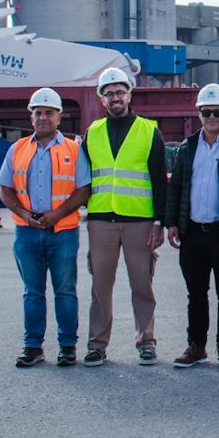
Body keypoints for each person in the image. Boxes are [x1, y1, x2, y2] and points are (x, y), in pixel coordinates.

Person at [0, 88, 92, 368]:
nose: (43, 117)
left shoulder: (74, 149)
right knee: (33, 292)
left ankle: (67, 346)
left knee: (65, 291)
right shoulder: (17, 149)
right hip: (27, 232)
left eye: (49, 112)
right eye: (37, 112)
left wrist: (55, 216)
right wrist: (25, 215)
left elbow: (83, 190)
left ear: (59, 117)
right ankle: (32, 346)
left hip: (62, 232)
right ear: (31, 117)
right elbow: (4, 189)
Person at [165, 84, 219, 370]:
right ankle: (196, 346)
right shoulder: (187, 146)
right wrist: (172, 223)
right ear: (199, 113)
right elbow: (176, 187)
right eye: (207, 112)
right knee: (196, 294)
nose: (212, 117)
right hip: (192, 231)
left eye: (217, 112)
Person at [82, 67, 167, 367]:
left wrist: (159, 221)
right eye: (109, 93)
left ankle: (146, 341)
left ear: (130, 94)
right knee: (100, 287)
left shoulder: (149, 131)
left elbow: (159, 179)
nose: (115, 97)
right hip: (101, 220)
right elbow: (84, 179)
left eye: (120, 92)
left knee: (142, 284)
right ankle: (97, 344)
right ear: (102, 98)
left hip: (139, 221)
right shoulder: (91, 133)